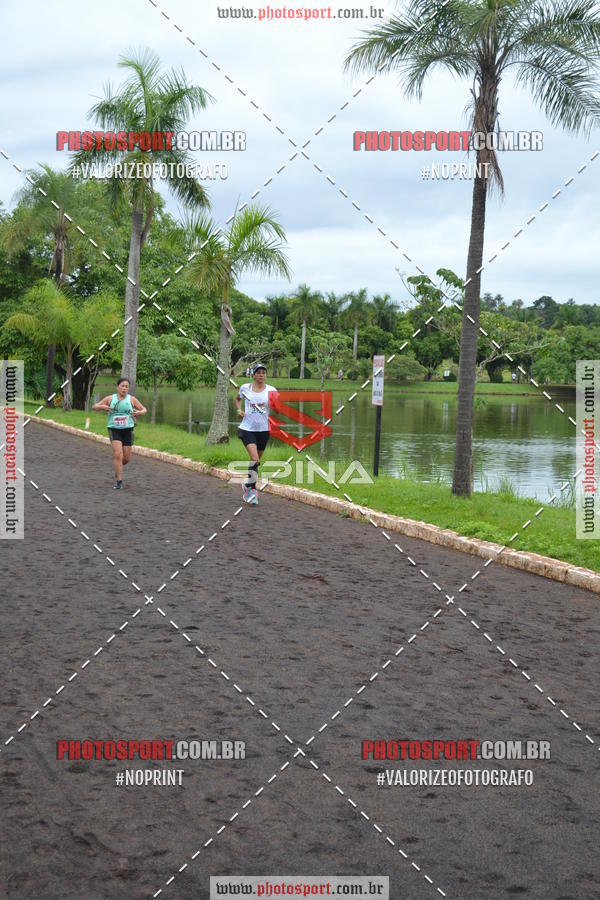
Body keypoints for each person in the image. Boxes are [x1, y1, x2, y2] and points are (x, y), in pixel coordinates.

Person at [93, 378, 147, 489]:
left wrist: (139, 413)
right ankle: (119, 481)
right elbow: (95, 407)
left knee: (126, 458)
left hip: (128, 429)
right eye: (122, 386)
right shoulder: (110, 398)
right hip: (114, 429)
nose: (124, 388)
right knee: (118, 454)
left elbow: (144, 409)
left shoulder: (131, 399)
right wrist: (103, 407)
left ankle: (118, 469)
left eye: (126, 386)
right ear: (117, 387)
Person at [235, 364, 277, 504]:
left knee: (256, 461)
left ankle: (247, 484)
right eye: (258, 372)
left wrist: (276, 405)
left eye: (263, 373)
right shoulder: (245, 388)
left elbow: (277, 407)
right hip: (247, 429)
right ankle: (251, 491)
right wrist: (238, 410)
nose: (261, 375)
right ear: (253, 375)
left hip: (264, 430)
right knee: (254, 458)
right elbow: (237, 398)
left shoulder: (271, 390)